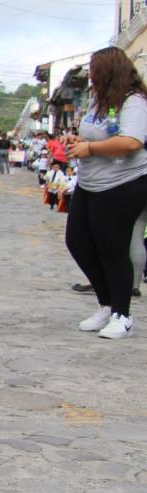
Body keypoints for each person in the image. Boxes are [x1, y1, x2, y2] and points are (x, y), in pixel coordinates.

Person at [65, 46, 147, 339]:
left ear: (110, 71)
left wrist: (90, 148)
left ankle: (122, 315)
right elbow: (95, 133)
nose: (91, 75)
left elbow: (131, 142)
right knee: (78, 242)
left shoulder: (134, 101)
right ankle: (106, 304)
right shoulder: (98, 100)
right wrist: (78, 142)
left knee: (112, 249)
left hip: (122, 184)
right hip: (90, 182)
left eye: (94, 69)